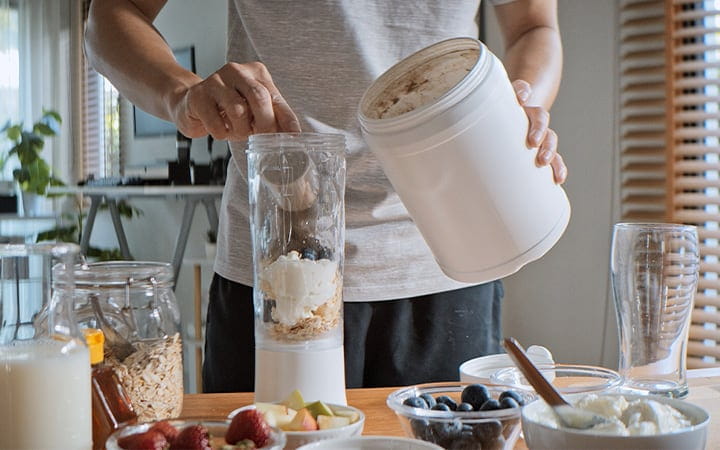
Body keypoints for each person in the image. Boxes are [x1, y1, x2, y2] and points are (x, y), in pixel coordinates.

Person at [85, 0, 565, 392]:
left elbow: (533, 26)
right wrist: (180, 95)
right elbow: (109, 15)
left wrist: (520, 104)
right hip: (272, 269)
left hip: (449, 261)